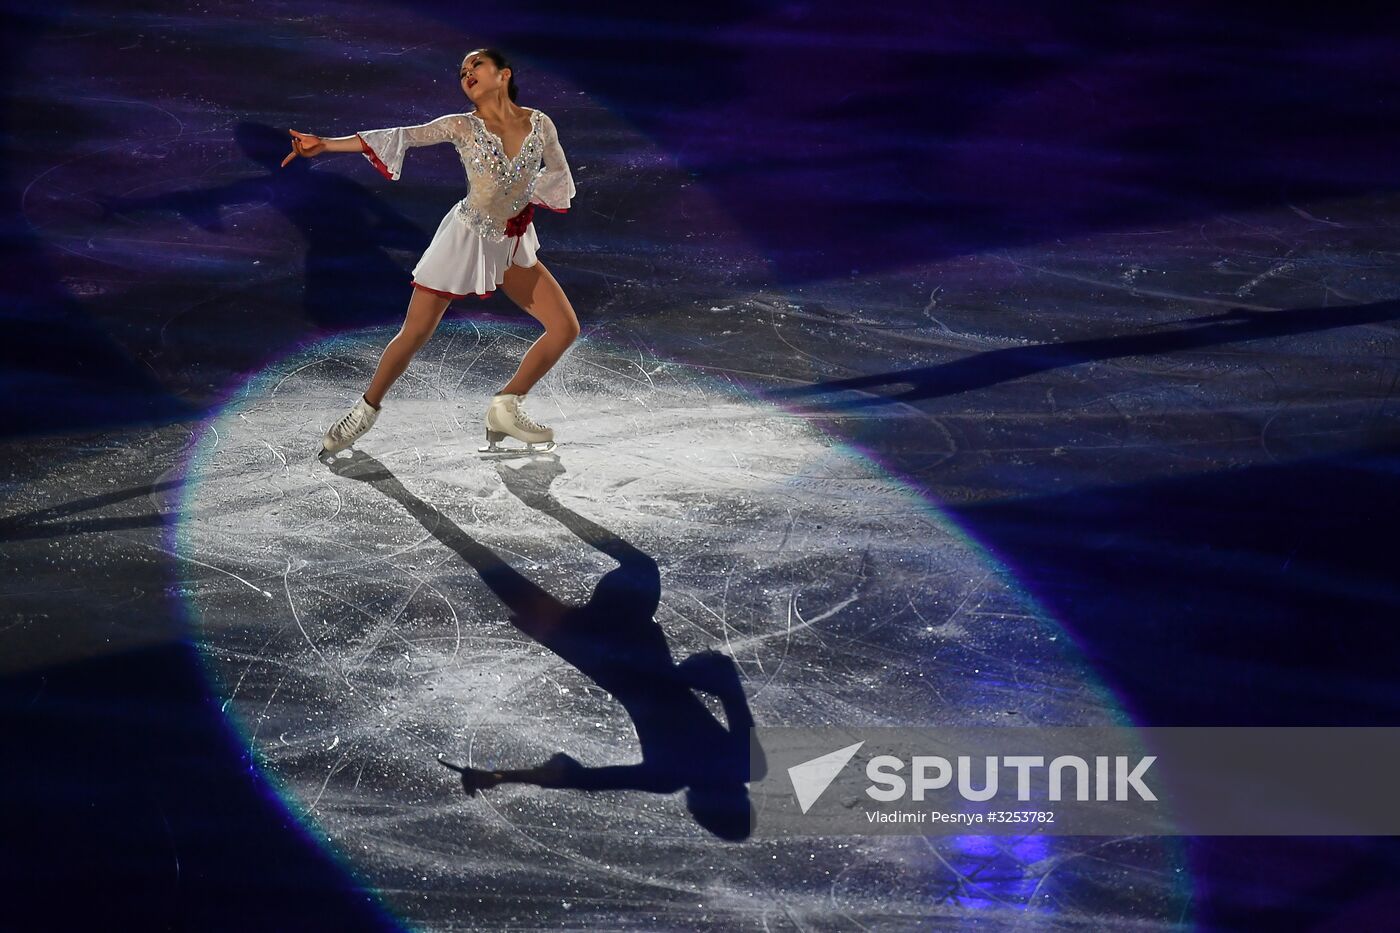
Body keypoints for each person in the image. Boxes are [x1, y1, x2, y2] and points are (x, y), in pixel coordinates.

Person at [282, 47, 578, 456]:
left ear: (504, 74)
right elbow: (404, 135)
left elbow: (558, 172)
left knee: (564, 328)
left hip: (510, 240)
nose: (467, 72)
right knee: (415, 333)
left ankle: (505, 406)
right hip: (466, 238)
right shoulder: (461, 125)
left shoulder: (540, 123)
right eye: (462, 71)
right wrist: (326, 145)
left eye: (476, 65)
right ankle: (364, 411)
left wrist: (527, 196)